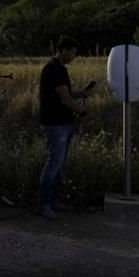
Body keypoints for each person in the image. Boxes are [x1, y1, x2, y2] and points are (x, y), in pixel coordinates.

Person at [37, 36, 93, 220]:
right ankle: (45, 204)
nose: (74, 56)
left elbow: (67, 94)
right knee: (53, 164)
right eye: (73, 52)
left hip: (63, 123)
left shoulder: (60, 69)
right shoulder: (54, 69)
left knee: (58, 164)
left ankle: (54, 201)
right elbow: (65, 99)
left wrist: (81, 93)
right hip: (56, 124)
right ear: (63, 50)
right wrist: (81, 110)